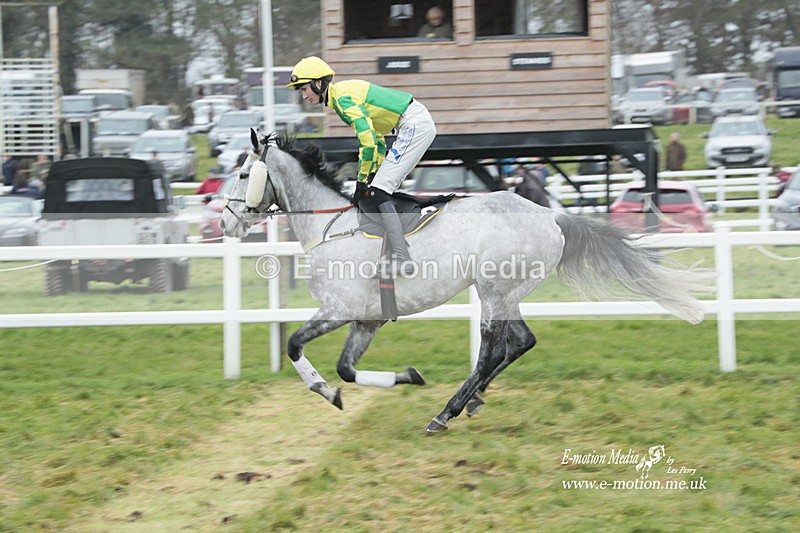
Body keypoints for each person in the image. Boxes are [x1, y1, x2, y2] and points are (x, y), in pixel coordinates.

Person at [286, 56, 437, 276]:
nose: (304, 95)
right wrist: (371, 173)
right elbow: (376, 139)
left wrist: (362, 178)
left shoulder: (343, 99)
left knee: (378, 189)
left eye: (305, 89)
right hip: (411, 124)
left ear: (319, 84)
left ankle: (402, 258)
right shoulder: (340, 97)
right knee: (376, 187)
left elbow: (366, 140)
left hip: (413, 125)